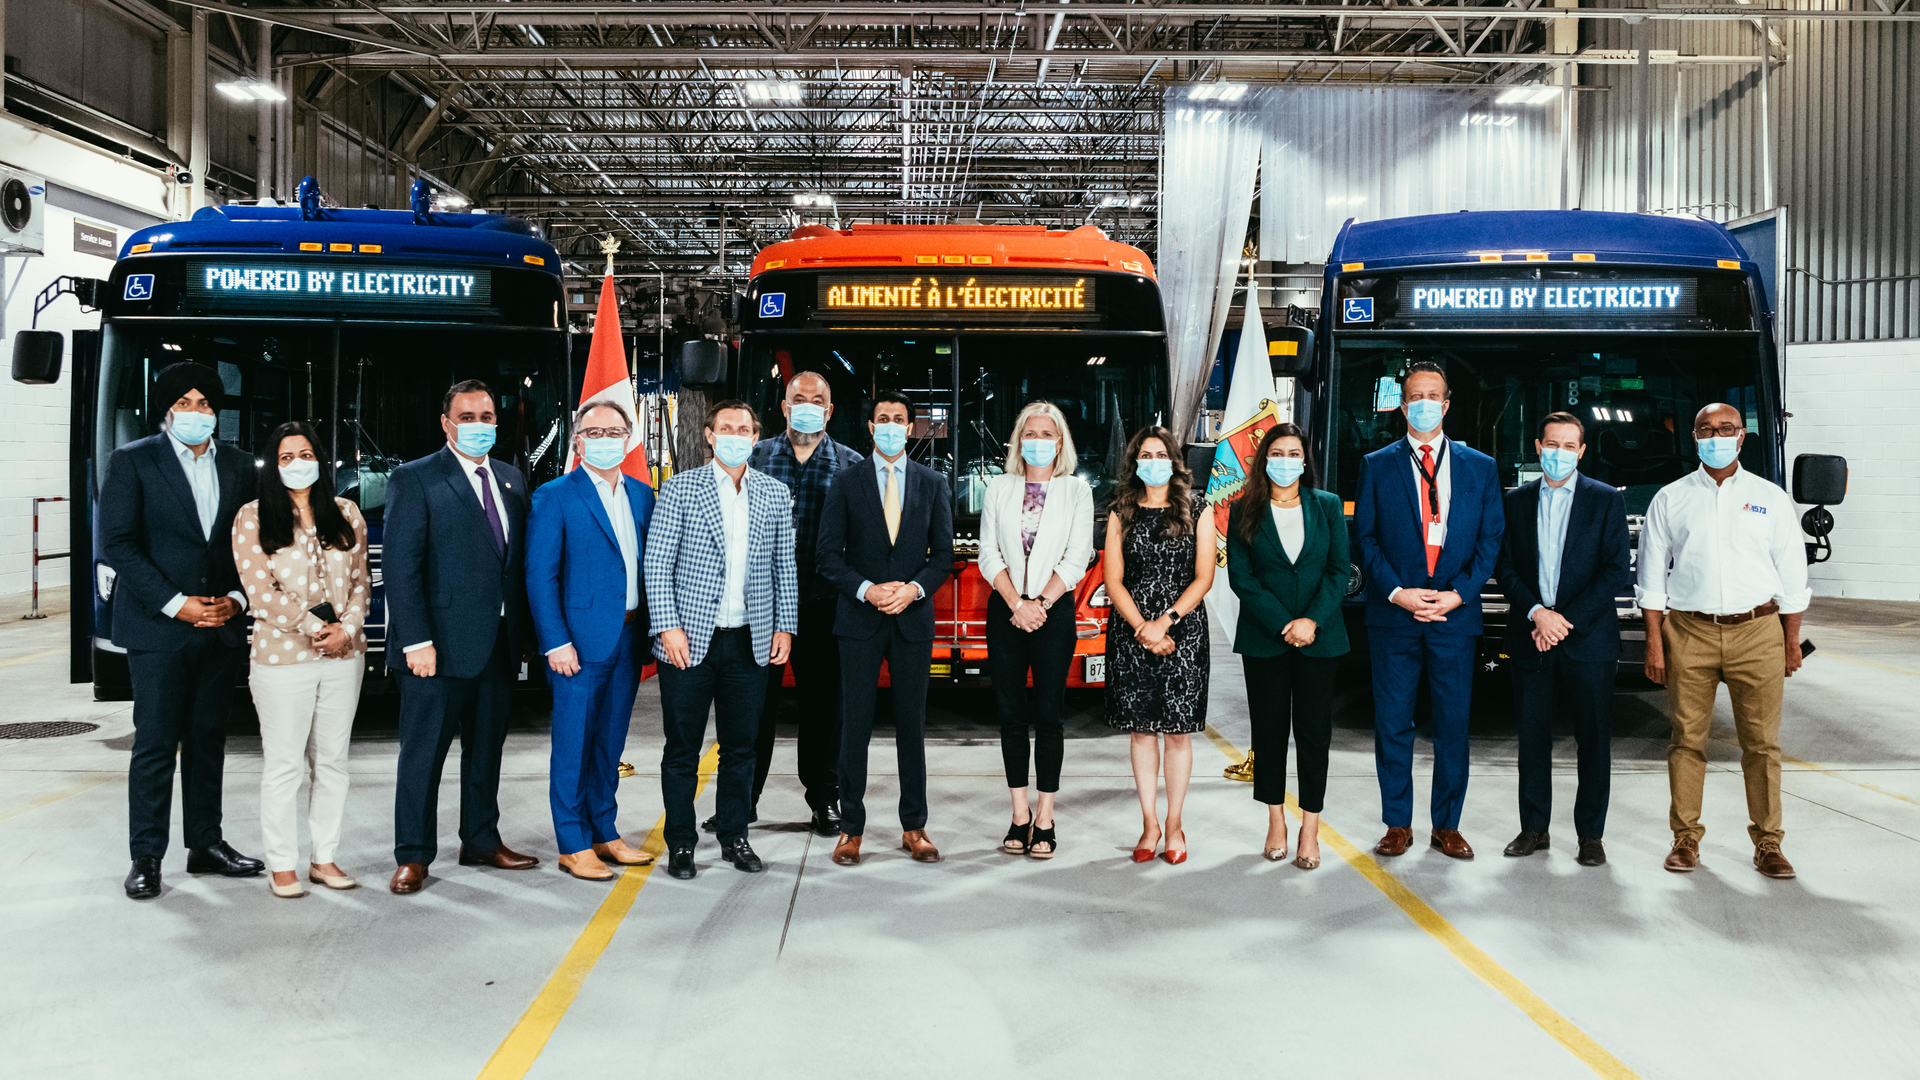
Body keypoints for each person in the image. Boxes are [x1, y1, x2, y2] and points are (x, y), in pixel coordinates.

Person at [101, 362, 264, 899]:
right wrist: (177, 605)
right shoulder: (132, 462)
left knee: (208, 739)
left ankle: (206, 845)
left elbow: (251, 545)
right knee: (154, 743)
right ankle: (146, 857)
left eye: (206, 403)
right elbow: (120, 544)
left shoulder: (241, 466)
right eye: (186, 402)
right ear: (167, 409)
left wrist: (237, 600)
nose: (196, 412)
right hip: (159, 628)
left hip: (219, 627)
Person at [1638, 403, 1811, 880]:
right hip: (1688, 631)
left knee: (1761, 745)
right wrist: (1656, 642)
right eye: (1706, 430)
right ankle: (1686, 838)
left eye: (1726, 429)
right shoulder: (1670, 499)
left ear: (1742, 436)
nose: (1717, 436)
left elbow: (1793, 579)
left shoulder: (1770, 498)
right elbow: (1651, 581)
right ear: (1693, 437)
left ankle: (1769, 843)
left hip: (1759, 632)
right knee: (1687, 740)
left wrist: (1790, 642)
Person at [383, 379, 539, 895]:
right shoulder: (415, 478)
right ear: (446, 423)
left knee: (487, 749)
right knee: (423, 753)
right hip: (436, 646)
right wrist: (414, 641)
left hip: (496, 642)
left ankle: (480, 839)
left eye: (487, 416)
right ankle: (412, 855)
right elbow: (403, 569)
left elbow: (512, 565)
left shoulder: (513, 479)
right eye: (467, 417)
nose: (479, 426)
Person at [1354, 361, 1504, 861]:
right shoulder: (1377, 464)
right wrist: (1398, 592)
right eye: (1413, 395)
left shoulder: (1479, 466)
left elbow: (1491, 540)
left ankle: (1448, 825)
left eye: (1431, 395)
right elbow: (1366, 539)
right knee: (1392, 722)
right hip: (1394, 615)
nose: (1422, 403)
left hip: (1454, 616)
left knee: (1453, 723)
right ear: (1402, 405)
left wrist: (1458, 594)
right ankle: (1398, 823)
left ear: (1445, 403)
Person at [644, 400, 797, 880]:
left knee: (741, 748)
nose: (735, 435)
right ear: (709, 435)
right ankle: (682, 843)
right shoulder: (679, 489)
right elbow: (657, 564)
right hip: (688, 641)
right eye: (725, 427)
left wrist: (784, 626)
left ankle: (735, 836)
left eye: (744, 429)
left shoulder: (774, 493)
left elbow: (783, 566)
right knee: (682, 749)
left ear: (756, 437)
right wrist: (667, 627)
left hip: (750, 642)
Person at [815, 390, 954, 866]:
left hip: (912, 619)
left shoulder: (933, 483)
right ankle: (850, 829)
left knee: (911, 727)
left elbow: (944, 558)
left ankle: (914, 827)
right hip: (859, 620)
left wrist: (913, 590)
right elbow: (828, 557)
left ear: (911, 427)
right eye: (883, 419)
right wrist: (868, 590)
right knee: (854, 726)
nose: (892, 425)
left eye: (900, 419)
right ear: (870, 428)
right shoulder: (845, 482)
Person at [231, 422, 370, 897]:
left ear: (321, 459)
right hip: (281, 659)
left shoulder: (347, 512)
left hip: (342, 656)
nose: (297, 464)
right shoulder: (253, 517)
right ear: (273, 465)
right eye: (286, 457)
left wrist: (346, 629)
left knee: (332, 762)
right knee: (285, 765)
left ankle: (324, 858)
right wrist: (316, 628)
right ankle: (282, 864)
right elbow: (259, 593)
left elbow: (361, 582)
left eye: (305, 453)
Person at [526, 400, 659, 882]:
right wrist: (555, 641)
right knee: (573, 745)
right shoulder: (555, 495)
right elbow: (541, 575)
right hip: (577, 646)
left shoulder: (644, 495)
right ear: (578, 440)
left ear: (628, 439)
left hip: (628, 638)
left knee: (608, 744)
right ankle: (573, 842)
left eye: (614, 431)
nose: (605, 439)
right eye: (594, 431)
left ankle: (605, 830)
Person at [1495, 412, 1631, 867]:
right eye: (1551, 444)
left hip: (1587, 640)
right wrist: (1537, 613)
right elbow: (1505, 567)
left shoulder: (1605, 500)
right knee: (1532, 739)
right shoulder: (1515, 501)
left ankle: (1591, 835)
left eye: (1568, 446)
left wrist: (1561, 621)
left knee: (1593, 741)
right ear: (1537, 447)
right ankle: (1534, 828)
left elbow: (1615, 570)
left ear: (1582, 451)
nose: (1558, 453)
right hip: (1530, 636)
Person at [737, 371, 865, 837]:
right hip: (760, 607)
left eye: (818, 400)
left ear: (829, 411)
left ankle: (824, 799)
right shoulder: (753, 458)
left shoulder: (853, 466)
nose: (807, 405)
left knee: (824, 710)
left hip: (824, 605)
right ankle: (741, 801)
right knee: (751, 706)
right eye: (798, 399)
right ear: (785, 407)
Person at [1227, 423, 1350, 871]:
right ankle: (1276, 819)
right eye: (1276, 452)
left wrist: (1311, 620)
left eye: (1293, 452)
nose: (1284, 460)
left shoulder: (1328, 506)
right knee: (1270, 732)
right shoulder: (1244, 509)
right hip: (1266, 640)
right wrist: (1285, 623)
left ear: (1304, 460)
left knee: (1315, 735)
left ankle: (1310, 827)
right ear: (1265, 460)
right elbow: (1241, 577)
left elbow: (1339, 570)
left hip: (1321, 639)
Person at [977, 401, 1094, 860]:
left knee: (1049, 715)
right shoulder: (999, 488)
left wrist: (1040, 604)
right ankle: (1019, 814)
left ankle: (1045, 816)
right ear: (1017, 440)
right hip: (1005, 611)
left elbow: (1077, 556)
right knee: (1010, 716)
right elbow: (989, 554)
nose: (1039, 441)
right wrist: (1015, 604)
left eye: (1048, 434)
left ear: (1060, 442)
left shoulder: (1075, 492)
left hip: (1053, 612)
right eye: (1031, 433)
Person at [1102, 426, 1214, 865]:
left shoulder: (1197, 507)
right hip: (1132, 632)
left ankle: (1174, 823)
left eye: (1160, 453)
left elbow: (1204, 576)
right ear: (1134, 463)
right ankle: (1149, 822)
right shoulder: (1120, 511)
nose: (1153, 461)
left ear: (1174, 461)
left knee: (1178, 733)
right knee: (1142, 730)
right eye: (1144, 454)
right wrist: (1143, 627)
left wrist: (1165, 622)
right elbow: (1113, 580)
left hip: (1183, 630)